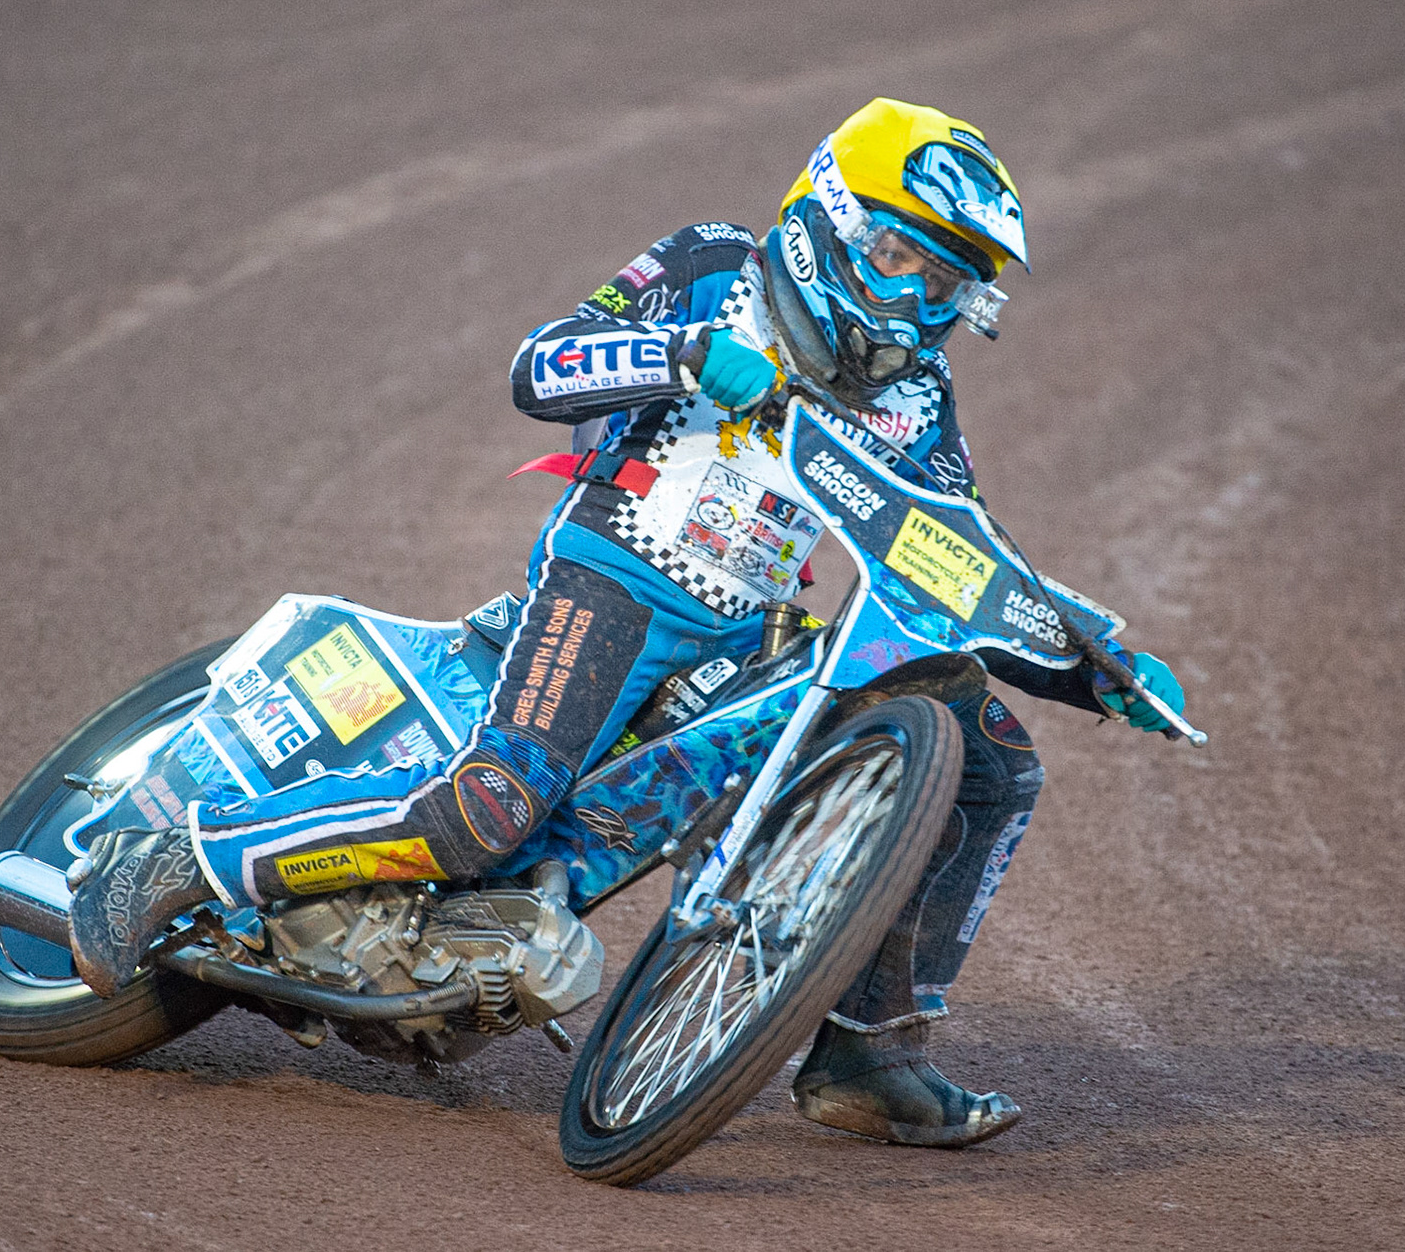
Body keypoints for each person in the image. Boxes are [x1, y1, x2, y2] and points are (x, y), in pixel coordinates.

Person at [68, 97, 1187, 1148]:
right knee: (491, 804)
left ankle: (864, 1055)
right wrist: (682, 354)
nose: (913, 297)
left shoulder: (919, 395)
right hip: (617, 569)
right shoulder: (714, 263)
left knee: (991, 765)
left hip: (750, 632)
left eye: (946, 282)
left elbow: (958, 543)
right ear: (832, 216)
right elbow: (541, 363)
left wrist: (1095, 660)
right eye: (900, 254)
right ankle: (178, 858)